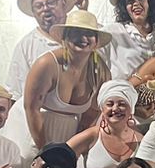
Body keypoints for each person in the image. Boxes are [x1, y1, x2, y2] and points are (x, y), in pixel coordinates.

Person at [23, 9, 110, 149]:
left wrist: (74, 148)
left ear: (96, 42)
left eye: (89, 34)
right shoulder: (47, 64)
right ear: (65, 37)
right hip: (34, 133)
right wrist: (45, 150)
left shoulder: (100, 71)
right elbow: (31, 109)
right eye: (76, 32)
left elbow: (91, 114)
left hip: (70, 137)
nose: (83, 38)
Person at [5, 0, 77, 105]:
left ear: (64, 5)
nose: (45, 8)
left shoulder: (84, 37)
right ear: (34, 13)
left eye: (51, 3)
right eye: (38, 6)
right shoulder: (26, 45)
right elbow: (15, 92)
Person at [68, 79, 140, 168]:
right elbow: (57, 158)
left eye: (122, 104)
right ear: (102, 109)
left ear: (131, 109)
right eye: (109, 104)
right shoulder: (92, 135)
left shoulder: (141, 141)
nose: (115, 108)